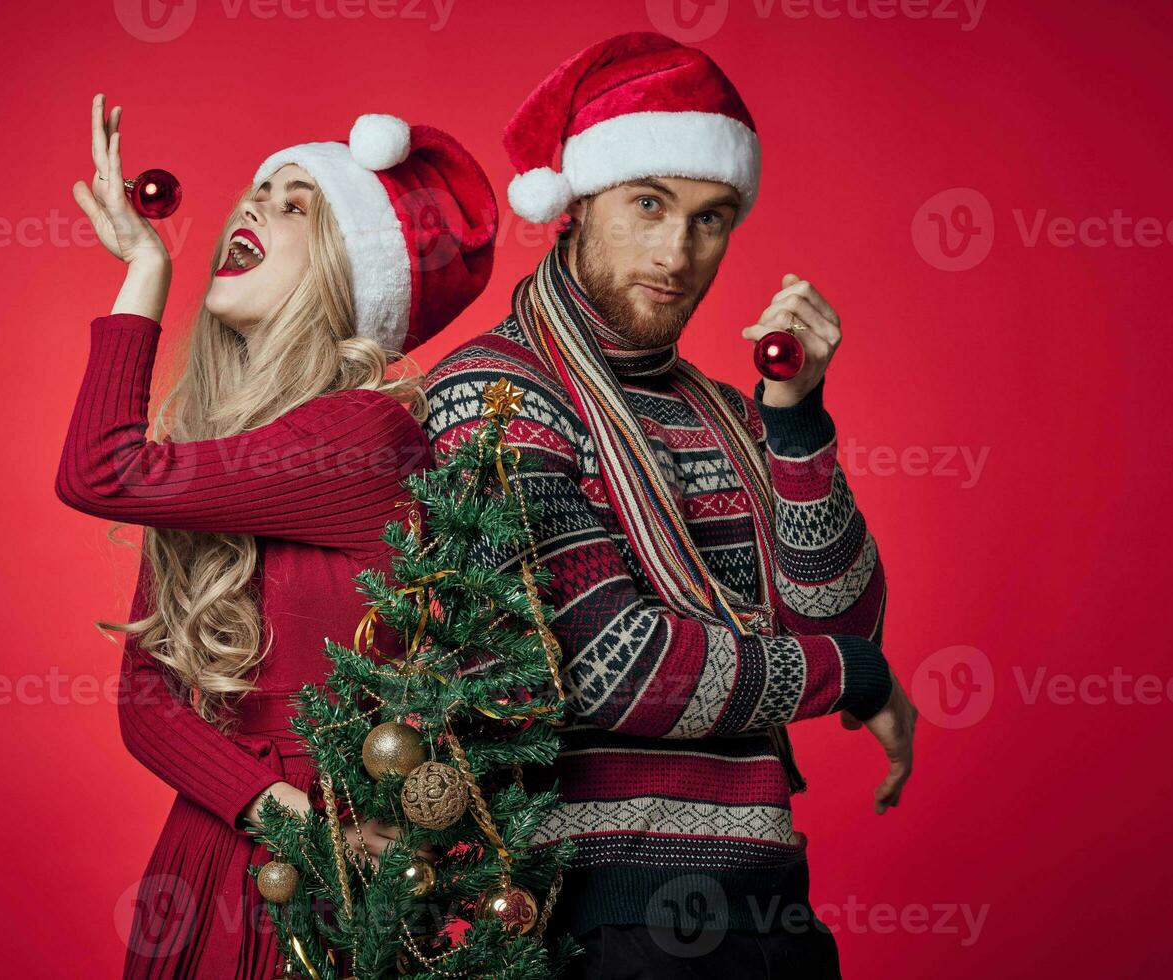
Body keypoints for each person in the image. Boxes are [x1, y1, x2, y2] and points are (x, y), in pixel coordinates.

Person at [422, 34, 917, 979]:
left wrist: (799, 425)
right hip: (594, 917)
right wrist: (853, 677)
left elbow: (844, 616)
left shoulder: (731, 415)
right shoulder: (493, 394)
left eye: (711, 217)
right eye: (648, 203)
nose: (678, 251)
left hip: (769, 911)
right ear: (573, 205)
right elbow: (614, 665)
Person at [57, 94, 497, 979]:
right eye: (258, 189)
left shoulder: (363, 438)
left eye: (296, 202)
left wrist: (146, 268)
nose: (252, 205)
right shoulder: (219, 455)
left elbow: (98, 473)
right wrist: (264, 802)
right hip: (211, 854)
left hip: (327, 878)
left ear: (349, 275)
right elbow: (146, 698)